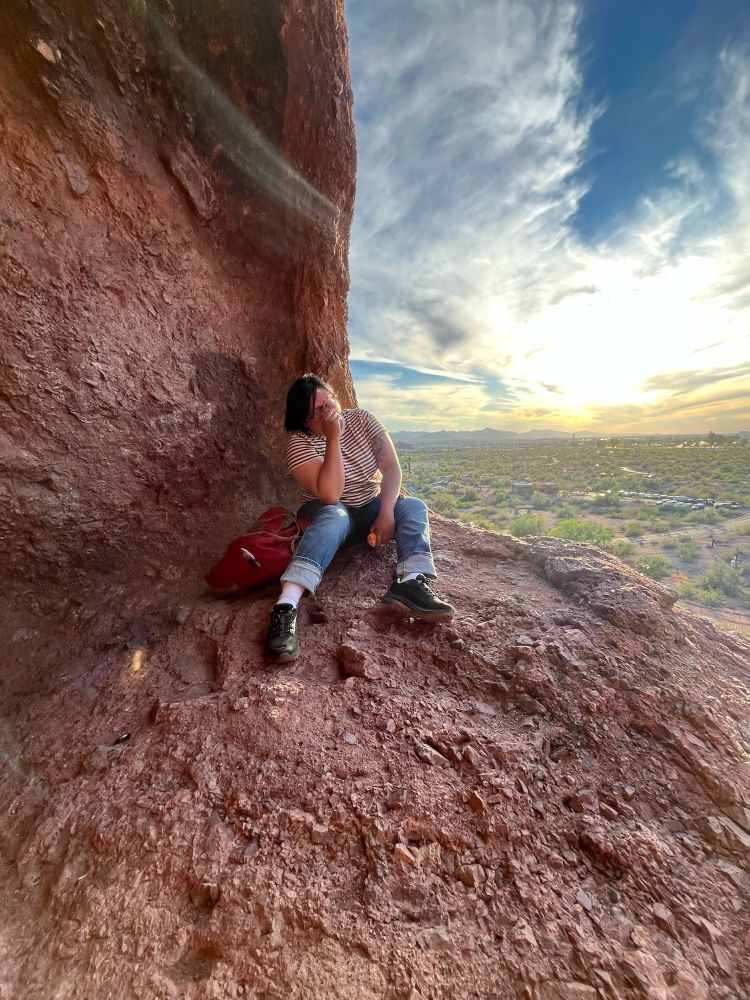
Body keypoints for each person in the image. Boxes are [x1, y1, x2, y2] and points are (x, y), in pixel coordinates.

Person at [267, 374, 455, 661]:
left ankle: (411, 583)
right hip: (328, 516)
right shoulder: (299, 444)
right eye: (317, 411)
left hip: (368, 507)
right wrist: (333, 437)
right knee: (336, 514)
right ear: (304, 420)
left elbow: (391, 469)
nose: (328, 411)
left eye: (328, 400)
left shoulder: (363, 420)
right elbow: (330, 494)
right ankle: (286, 607)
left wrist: (387, 512)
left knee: (414, 506)